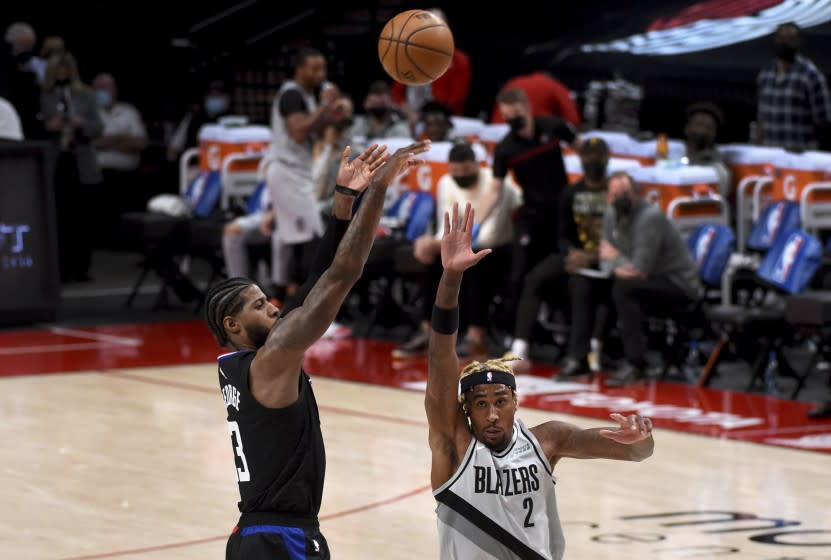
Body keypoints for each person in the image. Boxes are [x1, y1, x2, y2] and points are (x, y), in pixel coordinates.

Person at [205, 139, 430, 560]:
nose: (273, 307)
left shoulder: (243, 365)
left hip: (255, 536)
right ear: (233, 325)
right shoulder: (273, 360)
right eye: (258, 306)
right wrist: (378, 190)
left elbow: (313, 282)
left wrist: (343, 199)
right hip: (281, 539)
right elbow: (342, 274)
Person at [425, 201, 655, 559]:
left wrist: (640, 439)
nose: (490, 414)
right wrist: (452, 278)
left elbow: (637, 453)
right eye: (480, 404)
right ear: (465, 409)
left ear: (516, 401)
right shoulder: (454, 446)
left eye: (500, 401)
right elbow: (441, 357)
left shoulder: (548, 441)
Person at [599, 172, 701, 386]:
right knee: (600, 284)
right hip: (647, 280)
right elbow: (603, 256)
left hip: (678, 283)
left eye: (624, 193)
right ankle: (599, 352)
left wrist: (615, 258)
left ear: (636, 193)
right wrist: (616, 264)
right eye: (614, 194)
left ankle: (636, 364)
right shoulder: (610, 214)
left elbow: (639, 268)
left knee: (623, 288)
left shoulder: (649, 217)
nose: (619, 198)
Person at [756, 22, 831, 151]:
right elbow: (761, 119)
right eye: (781, 38)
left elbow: (824, 122)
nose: (785, 43)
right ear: (775, 40)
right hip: (770, 153)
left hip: (800, 156)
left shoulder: (810, 75)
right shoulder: (765, 74)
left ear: (799, 42)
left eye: (790, 39)